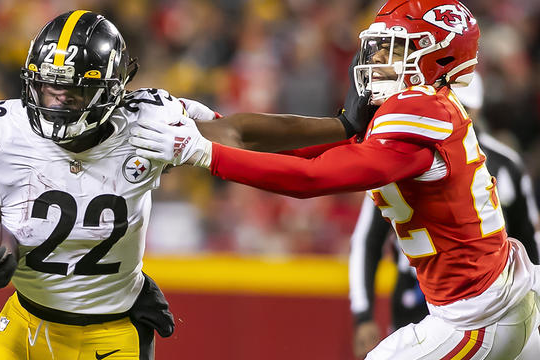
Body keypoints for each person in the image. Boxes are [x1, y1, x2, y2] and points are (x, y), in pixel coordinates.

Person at [0, 10, 371, 360]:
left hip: (111, 334)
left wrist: (340, 126)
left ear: (112, 90)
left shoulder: (147, 125)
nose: (58, 102)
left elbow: (239, 134)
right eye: (48, 89)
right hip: (23, 325)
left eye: (74, 92)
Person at [129, 0, 540, 358]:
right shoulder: (421, 108)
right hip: (492, 300)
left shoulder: (421, 108)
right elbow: (316, 147)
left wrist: (207, 154)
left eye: (394, 49)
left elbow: (312, 177)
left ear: (439, 57)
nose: (376, 59)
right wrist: (219, 129)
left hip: (477, 315)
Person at [348, 72, 540, 358]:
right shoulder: (395, 157)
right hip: (418, 293)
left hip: (486, 300)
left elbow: (529, 240)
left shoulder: (506, 165)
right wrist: (363, 313)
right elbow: (368, 239)